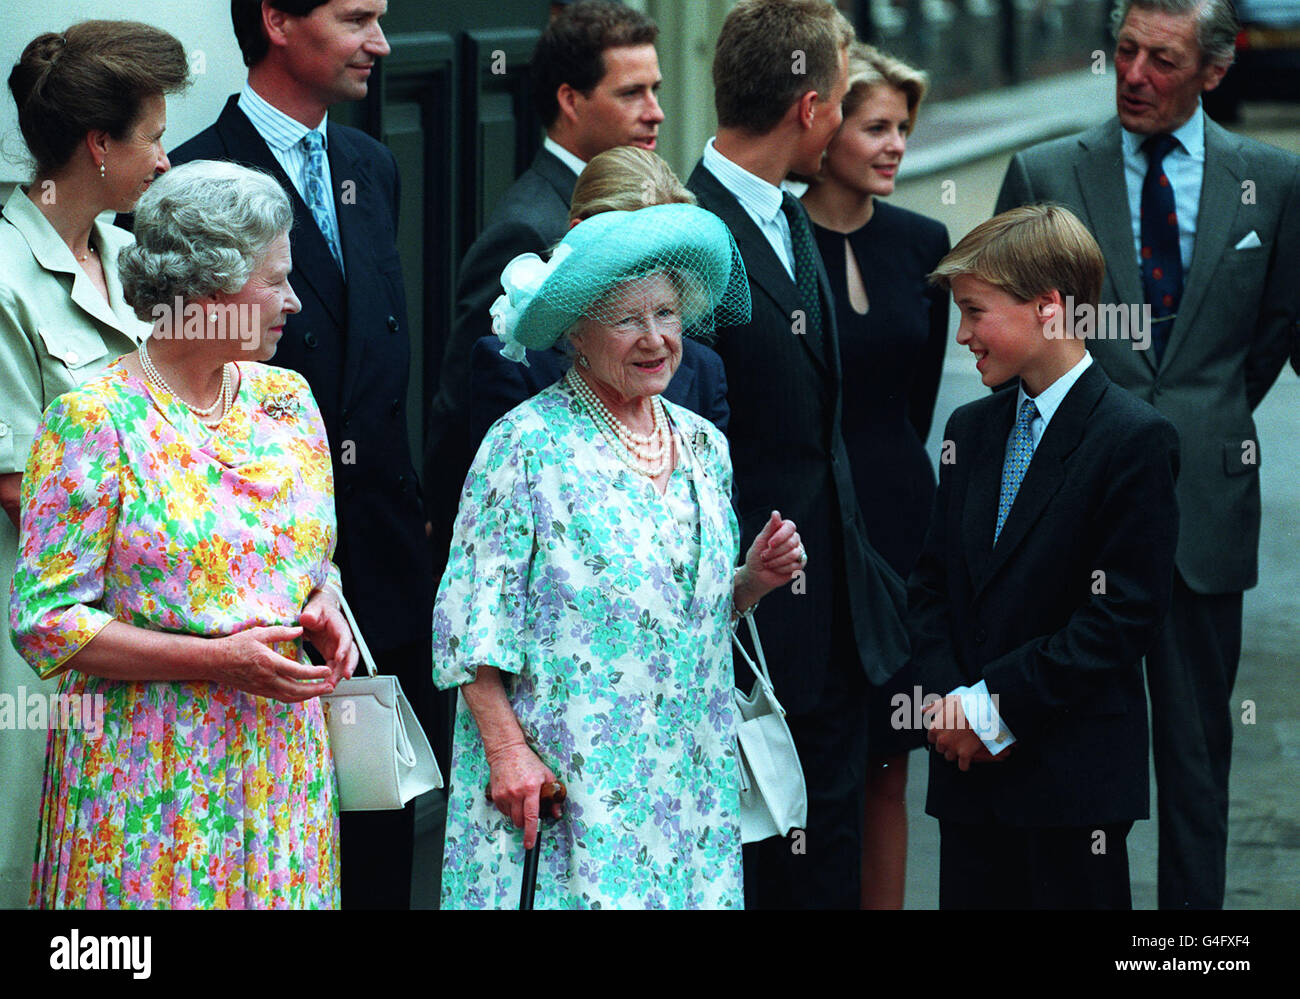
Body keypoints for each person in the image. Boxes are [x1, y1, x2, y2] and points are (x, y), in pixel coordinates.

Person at [994, 0, 1300, 909]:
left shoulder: (1271, 184)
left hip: (1204, 516)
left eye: (1162, 61)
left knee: (1199, 760)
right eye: (1124, 52)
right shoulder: (1046, 172)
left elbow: (1272, 333)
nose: (1134, 75)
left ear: (1214, 69)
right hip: (1071, 514)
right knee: (1073, 753)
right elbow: (1008, 333)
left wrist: (1197, 420)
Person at [433, 203, 803, 909]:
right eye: (628, 319)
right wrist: (508, 752)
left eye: (666, 313)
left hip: (687, 785)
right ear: (575, 330)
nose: (656, 338)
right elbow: (469, 624)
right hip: (567, 782)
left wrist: (751, 580)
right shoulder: (526, 445)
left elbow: (682, 617)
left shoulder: (702, 445)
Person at [9, 160, 355, 909]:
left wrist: (323, 600)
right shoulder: (94, 420)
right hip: (148, 783)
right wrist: (213, 660)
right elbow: (43, 624)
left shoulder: (286, 401)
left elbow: (309, 558)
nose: (293, 302)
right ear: (207, 290)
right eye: (275, 281)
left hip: (281, 773)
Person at [168, 0, 432, 909]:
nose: (383, 44)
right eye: (358, 17)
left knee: (381, 841)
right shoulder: (196, 172)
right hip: (258, 598)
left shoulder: (371, 163)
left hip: (379, 568)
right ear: (277, 19)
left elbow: (381, 361)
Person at [687, 0, 910, 909]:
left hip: (835, 637)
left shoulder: (792, 215)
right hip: (751, 640)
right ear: (812, 108)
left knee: (832, 870)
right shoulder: (694, 233)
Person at [912, 204, 1180, 909]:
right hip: (969, 780)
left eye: (975, 310)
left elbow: (1123, 615)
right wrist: (949, 709)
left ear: (1049, 307)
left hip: (1071, 786)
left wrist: (994, 707)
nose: (963, 334)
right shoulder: (969, 430)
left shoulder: (1132, 438)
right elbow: (932, 584)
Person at [0, 20, 189, 909]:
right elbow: (16, 483)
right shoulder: (4, 276)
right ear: (98, 143)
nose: (163, 160)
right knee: (34, 860)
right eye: (151, 136)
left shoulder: (127, 256)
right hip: (46, 637)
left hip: (145, 629)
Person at [425, 0, 665, 565]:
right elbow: (467, 398)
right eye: (631, 93)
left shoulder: (632, 200)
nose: (654, 111)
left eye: (655, 89)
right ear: (569, 100)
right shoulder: (529, 226)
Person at [800, 42, 949, 910]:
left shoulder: (925, 244)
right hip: (814, 526)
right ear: (825, 127)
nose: (894, 144)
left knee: (891, 763)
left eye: (903, 128)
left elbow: (917, 403)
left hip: (901, 523)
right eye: (875, 126)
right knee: (824, 764)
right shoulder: (777, 242)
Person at [469, 146, 729, 444]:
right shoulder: (517, 369)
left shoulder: (705, 371)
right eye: (630, 249)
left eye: (667, 249)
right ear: (577, 234)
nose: (651, 266)